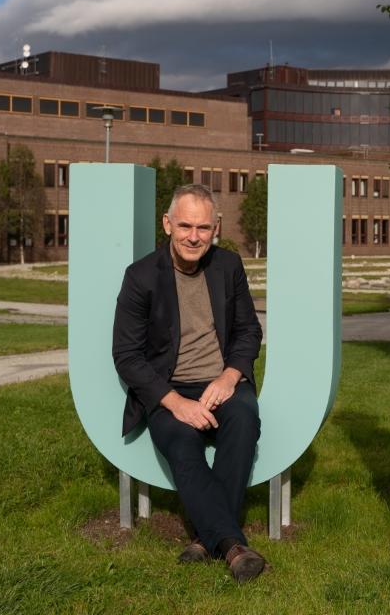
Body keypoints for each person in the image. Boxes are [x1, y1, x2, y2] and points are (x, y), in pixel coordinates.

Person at [112, 183, 266, 583]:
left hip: (222, 382)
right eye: (185, 225)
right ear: (167, 224)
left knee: (245, 418)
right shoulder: (141, 276)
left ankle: (204, 538)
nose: (194, 236)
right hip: (169, 389)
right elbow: (126, 355)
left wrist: (231, 376)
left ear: (215, 228)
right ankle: (232, 547)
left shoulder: (228, 266)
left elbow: (249, 331)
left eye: (203, 227)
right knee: (181, 439)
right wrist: (175, 402)